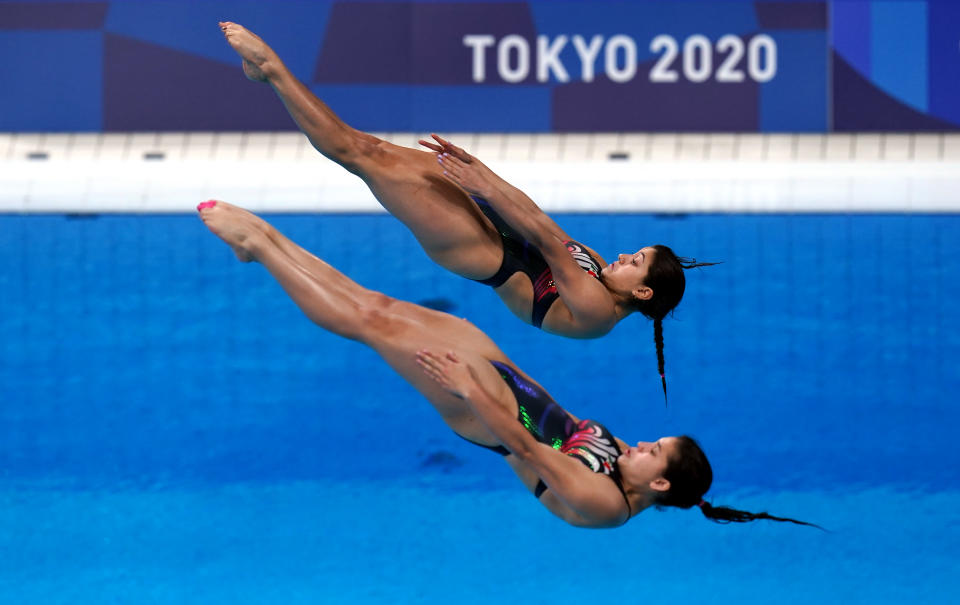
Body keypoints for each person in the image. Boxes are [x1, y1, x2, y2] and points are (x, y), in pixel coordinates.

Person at [196, 199, 814, 530]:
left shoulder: (605, 505)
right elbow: (563, 420)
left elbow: (529, 448)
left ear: (658, 485)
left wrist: (472, 385)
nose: (644, 442)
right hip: (501, 379)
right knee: (378, 307)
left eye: (656, 451)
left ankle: (260, 248)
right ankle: (268, 244)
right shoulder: (626, 460)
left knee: (370, 324)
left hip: (485, 412)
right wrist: (493, 359)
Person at [217, 21, 717, 399]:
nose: (626, 256)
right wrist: (481, 177)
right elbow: (538, 218)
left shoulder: (596, 312)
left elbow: (545, 239)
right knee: (372, 147)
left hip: (481, 254)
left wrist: (484, 189)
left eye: (635, 264)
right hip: (500, 225)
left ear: (643, 291)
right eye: (635, 253)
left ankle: (274, 70)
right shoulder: (599, 267)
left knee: (359, 157)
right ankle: (268, 78)